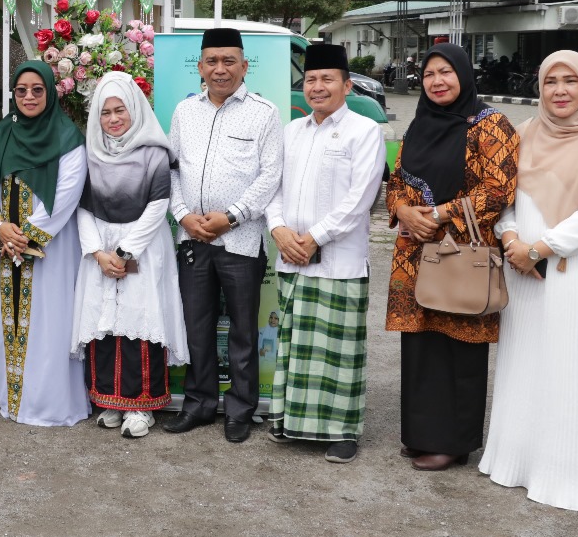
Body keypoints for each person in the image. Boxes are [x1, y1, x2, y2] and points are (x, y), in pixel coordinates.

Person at [482, 51, 578, 510]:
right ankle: (518, 461)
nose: (560, 90)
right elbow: (508, 199)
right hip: (524, 275)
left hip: (577, 272)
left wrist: (539, 249)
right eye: (551, 81)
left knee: (573, 369)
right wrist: (512, 237)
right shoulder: (525, 134)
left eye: (570, 81)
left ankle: (568, 473)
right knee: (527, 365)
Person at [386, 44, 519, 472]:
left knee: (459, 343)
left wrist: (440, 214)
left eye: (446, 72)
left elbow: (499, 189)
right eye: (428, 75)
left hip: (463, 252)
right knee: (422, 344)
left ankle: (454, 442)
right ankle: (422, 435)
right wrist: (404, 211)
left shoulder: (490, 125)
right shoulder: (419, 124)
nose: (437, 81)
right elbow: (397, 180)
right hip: (415, 252)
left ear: (463, 75)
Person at [265, 44, 386, 464]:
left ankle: (342, 432)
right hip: (290, 254)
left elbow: (360, 199)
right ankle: (289, 421)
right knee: (295, 345)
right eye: (311, 80)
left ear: (347, 85)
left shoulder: (363, 130)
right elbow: (272, 187)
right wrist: (278, 228)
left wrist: (315, 237)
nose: (317, 87)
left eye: (327, 79)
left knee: (339, 352)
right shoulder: (290, 131)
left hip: (339, 261)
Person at [165, 27, 282, 443]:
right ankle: (198, 404)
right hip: (193, 240)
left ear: (244, 65)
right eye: (212, 61)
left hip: (242, 240)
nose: (220, 69)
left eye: (229, 61)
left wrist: (230, 217)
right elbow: (172, 169)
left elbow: (271, 175)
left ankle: (240, 409)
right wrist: (182, 216)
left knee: (242, 331)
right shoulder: (185, 112)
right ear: (199, 66)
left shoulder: (263, 113)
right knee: (196, 326)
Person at [71, 73, 187, 438]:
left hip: (144, 245)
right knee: (104, 322)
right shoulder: (91, 152)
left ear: (134, 109)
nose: (113, 119)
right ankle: (110, 400)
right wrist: (97, 252)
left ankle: (143, 407)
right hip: (101, 249)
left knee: (142, 322)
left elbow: (158, 206)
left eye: (120, 110)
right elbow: (82, 207)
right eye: (105, 113)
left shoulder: (153, 152)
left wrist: (124, 251)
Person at [0, 61, 88, 426]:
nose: (28, 96)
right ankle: (15, 403)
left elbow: (67, 194)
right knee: (10, 325)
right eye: (21, 90)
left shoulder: (68, 137)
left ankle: (51, 405)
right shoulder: (0, 136)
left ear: (50, 92)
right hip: (6, 247)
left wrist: (23, 235)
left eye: (37, 90)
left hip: (50, 250)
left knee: (50, 324)